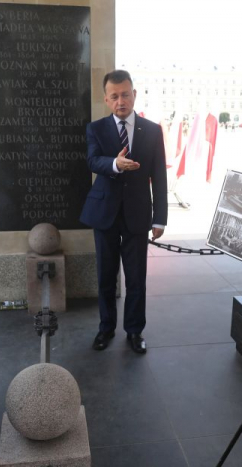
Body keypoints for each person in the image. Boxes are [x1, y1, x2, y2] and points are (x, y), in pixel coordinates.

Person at [80, 70, 168, 354]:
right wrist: (115, 164)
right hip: (104, 213)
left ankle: (134, 331)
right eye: (115, 96)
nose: (121, 100)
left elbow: (159, 176)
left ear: (134, 95)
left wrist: (160, 217)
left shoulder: (152, 130)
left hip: (138, 214)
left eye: (126, 94)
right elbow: (93, 161)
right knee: (106, 276)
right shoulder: (96, 128)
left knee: (136, 278)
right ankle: (106, 329)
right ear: (106, 99)